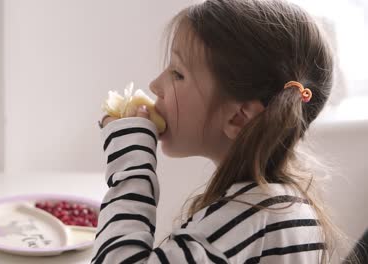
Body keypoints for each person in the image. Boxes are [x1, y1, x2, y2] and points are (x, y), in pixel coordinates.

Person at [93, 0, 346, 263]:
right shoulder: (282, 206)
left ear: (238, 117)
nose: (155, 85)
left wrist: (131, 163)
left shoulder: (249, 218)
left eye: (178, 74)